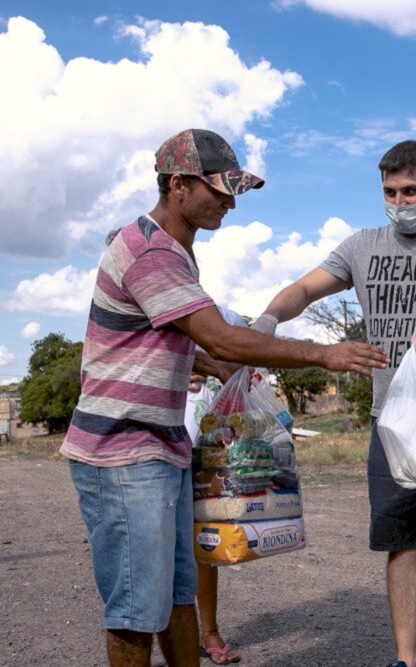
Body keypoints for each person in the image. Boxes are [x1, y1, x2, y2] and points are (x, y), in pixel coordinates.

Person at [61, 128, 388, 667]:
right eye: (218, 190)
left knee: (175, 594)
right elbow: (217, 333)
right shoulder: (152, 253)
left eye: (234, 192)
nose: (230, 204)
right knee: (135, 609)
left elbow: (151, 341)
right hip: (122, 454)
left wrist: (204, 363)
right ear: (177, 185)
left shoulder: (172, 250)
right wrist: (323, 353)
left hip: (160, 448)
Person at [251, 140, 416, 667]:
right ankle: (406, 659)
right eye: (390, 193)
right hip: (391, 423)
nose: (400, 202)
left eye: (411, 191)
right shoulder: (363, 246)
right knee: (401, 543)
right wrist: (268, 319)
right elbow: (305, 289)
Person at [184, 307, 248, 665]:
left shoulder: (224, 315)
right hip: (163, 448)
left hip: (207, 457)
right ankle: (167, 632)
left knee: (203, 545)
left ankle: (208, 629)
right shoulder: (163, 311)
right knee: (161, 548)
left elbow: (244, 365)